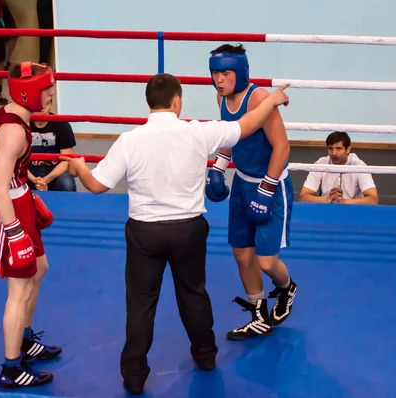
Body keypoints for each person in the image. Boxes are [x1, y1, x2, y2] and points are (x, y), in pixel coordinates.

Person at [60, 73, 290, 395]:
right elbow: (247, 125)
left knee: (141, 304)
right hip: (188, 229)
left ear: (149, 103)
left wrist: (80, 167)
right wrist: (272, 100)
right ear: (177, 100)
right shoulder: (198, 132)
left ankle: (135, 376)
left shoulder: (130, 139)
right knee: (193, 294)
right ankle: (206, 356)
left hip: (144, 232)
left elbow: (97, 185)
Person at [206, 44, 298, 341]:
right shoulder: (221, 96)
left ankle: (286, 288)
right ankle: (259, 315)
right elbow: (229, 134)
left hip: (270, 185)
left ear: (241, 71)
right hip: (243, 184)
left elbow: (282, 147)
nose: (219, 80)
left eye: (225, 73)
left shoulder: (258, 98)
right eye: (215, 73)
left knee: (266, 262)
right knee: (242, 255)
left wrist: (267, 188)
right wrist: (219, 167)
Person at [0, 61, 61, 389]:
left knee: (39, 269)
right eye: (46, 90)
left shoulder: (16, 114)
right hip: (5, 208)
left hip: (20, 198)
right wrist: (14, 232)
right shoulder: (14, 131)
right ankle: (11, 369)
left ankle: (26, 340)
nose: (51, 95)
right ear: (27, 92)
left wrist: (28, 185)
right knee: (18, 288)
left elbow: (10, 167)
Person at [299, 131, 379, 204]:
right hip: (327, 209)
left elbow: (373, 200)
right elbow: (303, 197)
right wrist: (326, 199)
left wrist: (344, 201)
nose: (334, 153)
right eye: (330, 148)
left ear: (348, 149)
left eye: (338, 148)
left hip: (353, 210)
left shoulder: (359, 166)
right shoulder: (320, 164)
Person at [27, 99, 77, 192]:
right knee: (11, 182)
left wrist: (46, 180)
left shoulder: (62, 125)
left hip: (55, 170)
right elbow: (17, 160)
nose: (42, 108)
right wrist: (34, 179)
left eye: (46, 103)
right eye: (39, 104)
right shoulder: (23, 125)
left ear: (50, 104)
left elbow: (66, 160)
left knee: (67, 185)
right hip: (30, 170)